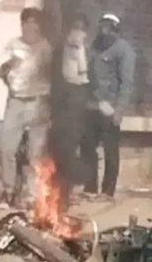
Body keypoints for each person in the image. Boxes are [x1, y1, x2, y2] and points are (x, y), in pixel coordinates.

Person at [0, 7, 52, 210]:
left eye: (34, 22)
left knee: (35, 153)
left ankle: (31, 195)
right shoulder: (13, 45)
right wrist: (2, 70)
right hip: (16, 101)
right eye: (26, 22)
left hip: (38, 101)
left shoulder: (47, 48)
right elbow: (0, 70)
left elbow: (53, 74)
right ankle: (9, 192)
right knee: (7, 147)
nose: (30, 26)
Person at [81, 14, 136, 202]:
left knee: (110, 149)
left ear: (115, 29)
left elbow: (127, 83)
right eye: (102, 27)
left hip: (110, 107)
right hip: (92, 105)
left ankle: (107, 191)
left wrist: (119, 109)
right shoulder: (95, 46)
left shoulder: (124, 51)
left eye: (108, 28)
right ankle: (90, 187)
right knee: (87, 146)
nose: (104, 31)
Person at [49, 14, 91, 207]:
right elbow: (52, 76)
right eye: (74, 28)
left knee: (70, 150)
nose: (76, 32)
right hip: (58, 108)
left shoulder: (90, 54)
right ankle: (57, 192)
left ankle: (67, 192)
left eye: (80, 28)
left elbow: (94, 81)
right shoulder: (58, 51)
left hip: (78, 110)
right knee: (57, 151)